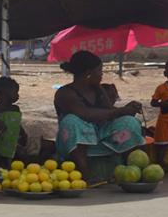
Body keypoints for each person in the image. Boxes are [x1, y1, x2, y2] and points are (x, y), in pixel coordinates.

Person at [54, 50, 145, 178]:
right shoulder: (65, 93)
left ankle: (131, 170)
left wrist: (126, 109)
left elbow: (109, 111)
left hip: (100, 135)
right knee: (71, 121)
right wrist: (120, 111)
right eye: (99, 71)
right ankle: (84, 173)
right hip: (76, 142)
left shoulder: (98, 90)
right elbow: (85, 114)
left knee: (129, 122)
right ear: (88, 73)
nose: (101, 75)